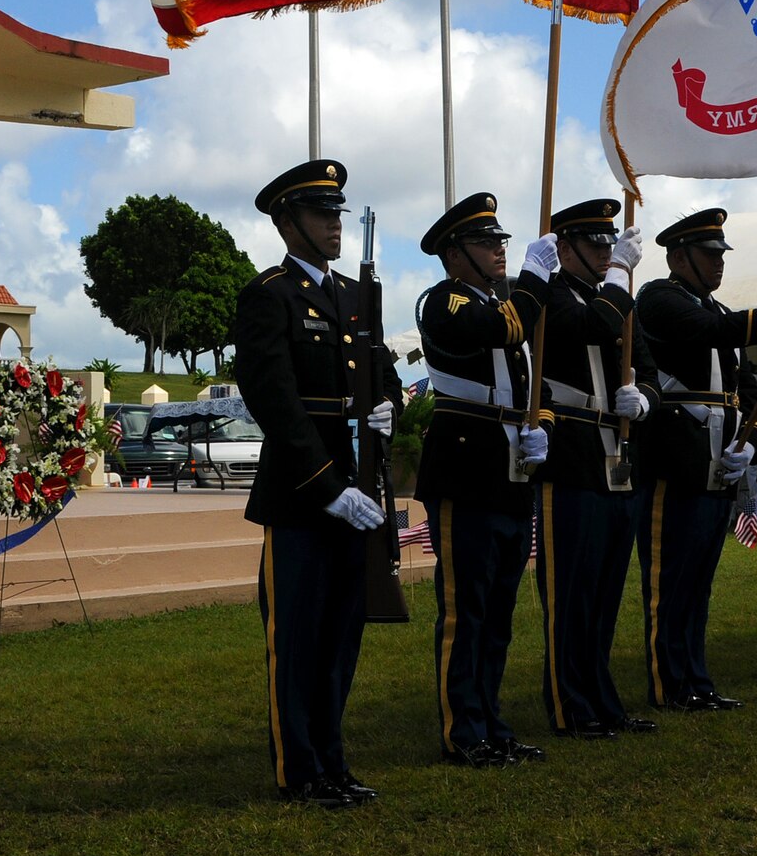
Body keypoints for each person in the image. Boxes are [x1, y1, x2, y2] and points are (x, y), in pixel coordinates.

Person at [235, 160, 402, 810]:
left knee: (340, 639)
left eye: (338, 213)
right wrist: (329, 485)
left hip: (358, 494)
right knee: (298, 641)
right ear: (287, 222)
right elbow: (274, 401)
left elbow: (379, 371)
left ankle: (333, 763)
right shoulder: (269, 296)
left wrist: (387, 407)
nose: (335, 224)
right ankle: (298, 771)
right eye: (322, 213)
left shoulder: (355, 298)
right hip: (305, 497)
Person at [415, 192, 557, 769]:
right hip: (466, 472)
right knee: (464, 611)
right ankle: (462, 730)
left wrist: (539, 426)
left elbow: (535, 389)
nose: (497, 250)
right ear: (455, 254)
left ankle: (493, 723)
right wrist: (534, 278)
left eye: (500, 241)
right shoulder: (444, 302)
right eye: (485, 243)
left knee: (498, 614)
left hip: (509, 476)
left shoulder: (504, 305)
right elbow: (504, 329)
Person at [634, 208, 757, 712]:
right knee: (668, 582)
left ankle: (697, 679)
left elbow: (746, 384)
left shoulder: (716, 310)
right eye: (708, 255)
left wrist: (750, 439)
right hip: (675, 462)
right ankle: (666, 683)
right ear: (679, 257)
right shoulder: (659, 299)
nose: (718, 264)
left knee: (699, 583)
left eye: (721, 255)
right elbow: (708, 334)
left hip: (717, 462)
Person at [531, 198, 657, 740]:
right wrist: (623, 275)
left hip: (617, 457)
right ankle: (569, 703)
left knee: (605, 591)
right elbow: (586, 325)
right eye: (596, 244)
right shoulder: (552, 297)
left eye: (611, 245)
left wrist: (644, 400)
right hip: (573, 452)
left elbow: (649, 368)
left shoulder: (617, 300)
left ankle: (602, 697)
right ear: (564, 248)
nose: (606, 254)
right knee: (570, 591)